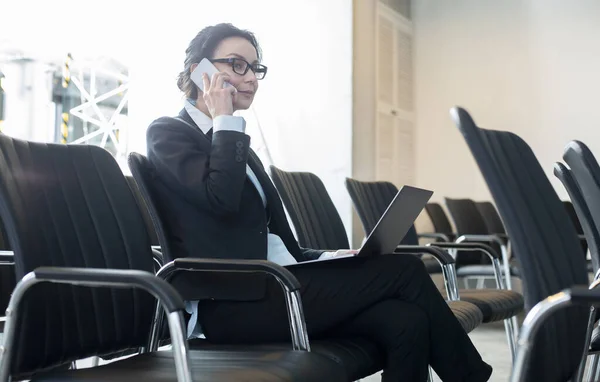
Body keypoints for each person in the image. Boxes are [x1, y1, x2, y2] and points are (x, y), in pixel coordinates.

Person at [146, 23, 492, 382]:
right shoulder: (169, 133)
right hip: (230, 304)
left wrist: (330, 258)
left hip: (276, 285)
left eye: (255, 67)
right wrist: (225, 121)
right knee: (406, 270)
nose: (251, 78)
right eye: (237, 64)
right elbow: (222, 201)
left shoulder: (236, 146)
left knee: (406, 320)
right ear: (198, 72)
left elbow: (277, 244)